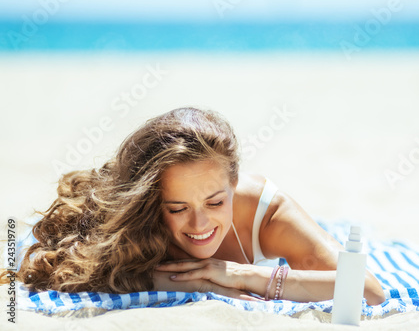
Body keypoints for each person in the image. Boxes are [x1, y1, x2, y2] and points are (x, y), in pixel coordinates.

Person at [10, 107, 385, 305]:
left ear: (234, 186)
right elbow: (50, 270)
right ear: (151, 203)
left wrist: (241, 276)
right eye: (176, 208)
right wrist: (201, 283)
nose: (199, 223)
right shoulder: (134, 221)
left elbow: (368, 290)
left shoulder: (266, 213)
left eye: (215, 201)